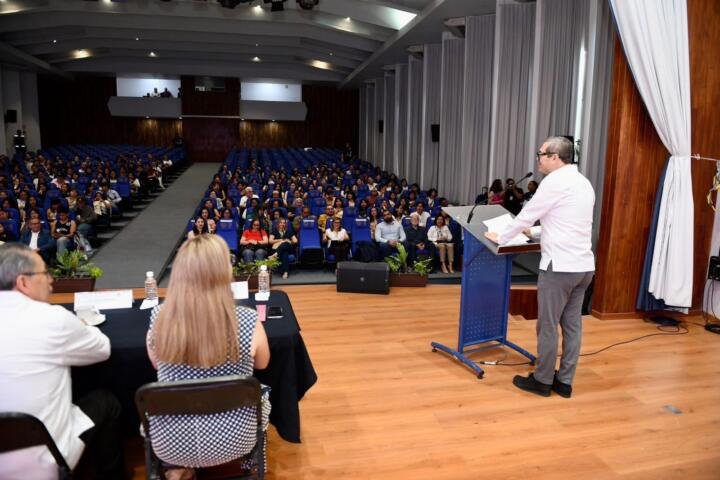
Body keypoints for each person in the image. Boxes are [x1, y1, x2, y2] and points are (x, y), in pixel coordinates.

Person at [145, 235, 270, 479]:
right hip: (236, 439)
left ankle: (179, 468)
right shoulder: (247, 319)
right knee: (262, 392)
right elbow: (263, 363)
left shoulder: (159, 317)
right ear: (225, 272)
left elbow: (156, 364)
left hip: (171, 443)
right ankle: (251, 464)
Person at [0, 243, 124, 480]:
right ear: (23, 282)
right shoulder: (51, 318)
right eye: (44, 273)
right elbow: (102, 349)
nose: (51, 280)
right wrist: (83, 325)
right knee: (106, 402)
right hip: (44, 464)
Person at [485, 136, 595, 398]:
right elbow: (566, 223)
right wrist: (533, 233)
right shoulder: (583, 182)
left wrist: (502, 238)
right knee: (572, 327)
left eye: (541, 154)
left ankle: (543, 380)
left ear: (555, 157)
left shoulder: (554, 182)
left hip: (559, 268)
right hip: (583, 267)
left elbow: (525, 215)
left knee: (547, 326)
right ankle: (564, 382)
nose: (538, 158)